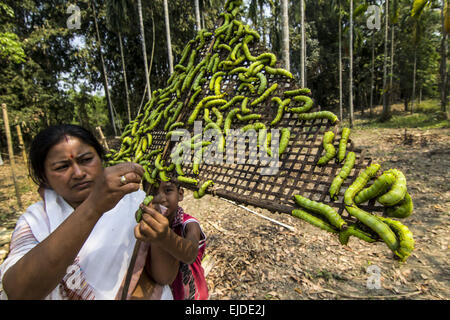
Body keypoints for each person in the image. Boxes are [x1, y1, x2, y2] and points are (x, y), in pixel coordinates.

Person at [0, 124, 176, 300]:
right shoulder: (36, 220)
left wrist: (163, 237)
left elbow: (165, 276)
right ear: (44, 176)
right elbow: (18, 292)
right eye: (62, 166)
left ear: (101, 159)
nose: (78, 173)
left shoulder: (137, 201)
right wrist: (94, 206)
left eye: (86, 160)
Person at [138, 180, 208, 300]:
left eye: (168, 190)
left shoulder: (188, 224)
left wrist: (166, 237)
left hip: (194, 295)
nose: (160, 198)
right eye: (153, 192)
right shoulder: (146, 225)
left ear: (180, 194)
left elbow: (190, 253)